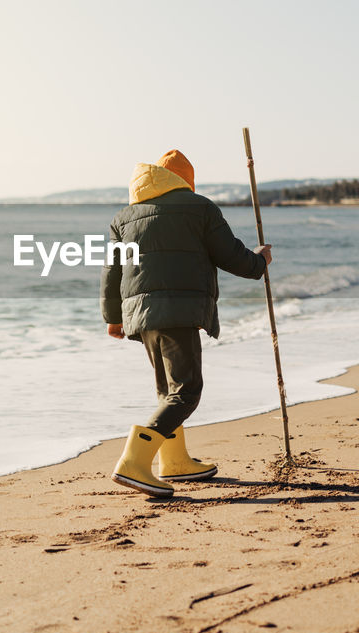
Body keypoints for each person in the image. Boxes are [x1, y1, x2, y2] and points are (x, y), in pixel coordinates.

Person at [101, 149, 271, 497]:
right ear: (185, 181)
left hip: (139, 315)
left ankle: (174, 462)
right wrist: (259, 262)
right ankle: (133, 462)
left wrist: (113, 317)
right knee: (187, 391)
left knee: (168, 390)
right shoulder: (201, 208)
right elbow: (230, 255)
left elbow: (112, 271)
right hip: (178, 310)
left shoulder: (124, 217)